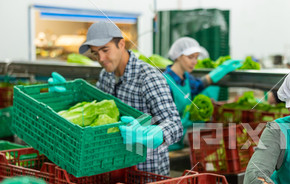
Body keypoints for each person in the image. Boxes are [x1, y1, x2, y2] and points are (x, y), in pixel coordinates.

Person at [72, 21, 182, 176]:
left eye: (105, 50)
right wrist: (70, 96)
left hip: (147, 175)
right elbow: (95, 109)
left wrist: (154, 133)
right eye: (95, 53)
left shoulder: (148, 77)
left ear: (121, 44)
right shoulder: (106, 75)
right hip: (115, 169)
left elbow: (176, 125)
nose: (101, 58)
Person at [163, 37, 242, 149]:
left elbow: (201, 84)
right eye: (190, 57)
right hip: (169, 143)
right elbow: (161, 122)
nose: (194, 62)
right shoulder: (164, 83)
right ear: (178, 56)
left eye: (196, 58)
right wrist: (184, 121)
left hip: (184, 134)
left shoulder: (187, 78)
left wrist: (222, 70)